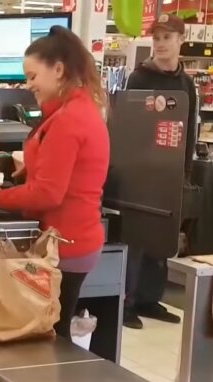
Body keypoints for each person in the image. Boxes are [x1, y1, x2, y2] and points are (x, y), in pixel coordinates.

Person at [0, 25, 110, 339]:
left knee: (51, 334)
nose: (28, 85)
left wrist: (0, 196)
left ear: (59, 70)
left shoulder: (68, 120)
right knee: (54, 327)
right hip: (75, 237)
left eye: (33, 76)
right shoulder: (77, 111)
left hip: (67, 243)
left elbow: (49, 193)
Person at [123, 14, 194, 329]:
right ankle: (126, 302)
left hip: (170, 172)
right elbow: (130, 126)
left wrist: (185, 172)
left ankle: (150, 299)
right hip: (140, 173)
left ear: (181, 39)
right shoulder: (139, 78)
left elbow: (190, 129)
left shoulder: (186, 83)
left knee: (160, 240)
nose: (162, 44)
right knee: (136, 240)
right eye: (157, 38)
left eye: (168, 38)